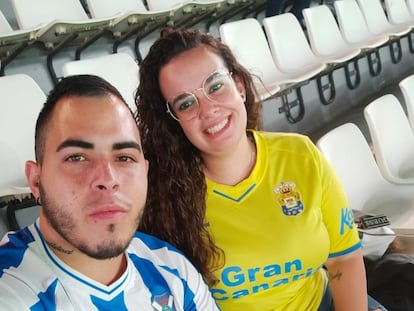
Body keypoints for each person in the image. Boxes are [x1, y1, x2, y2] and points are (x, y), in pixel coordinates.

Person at [135, 28, 387, 311]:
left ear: (239, 86)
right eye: (186, 103)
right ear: (174, 121)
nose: (207, 110)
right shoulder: (163, 199)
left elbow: (343, 258)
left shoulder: (301, 155)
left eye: (215, 86)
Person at [0, 74, 220, 311]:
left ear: (144, 173)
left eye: (124, 158)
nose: (108, 179)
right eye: (77, 157)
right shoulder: (12, 288)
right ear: (36, 181)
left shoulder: (172, 270)